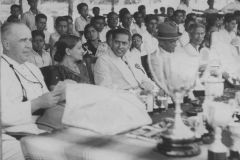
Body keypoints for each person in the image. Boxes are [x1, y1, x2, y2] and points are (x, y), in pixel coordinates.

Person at [1, 22, 61, 160]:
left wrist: (59, 93)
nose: (29, 45)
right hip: (12, 136)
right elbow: (3, 115)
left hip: (41, 128)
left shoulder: (33, 68)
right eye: (23, 40)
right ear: (7, 44)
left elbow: (46, 100)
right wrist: (36, 104)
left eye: (30, 40)